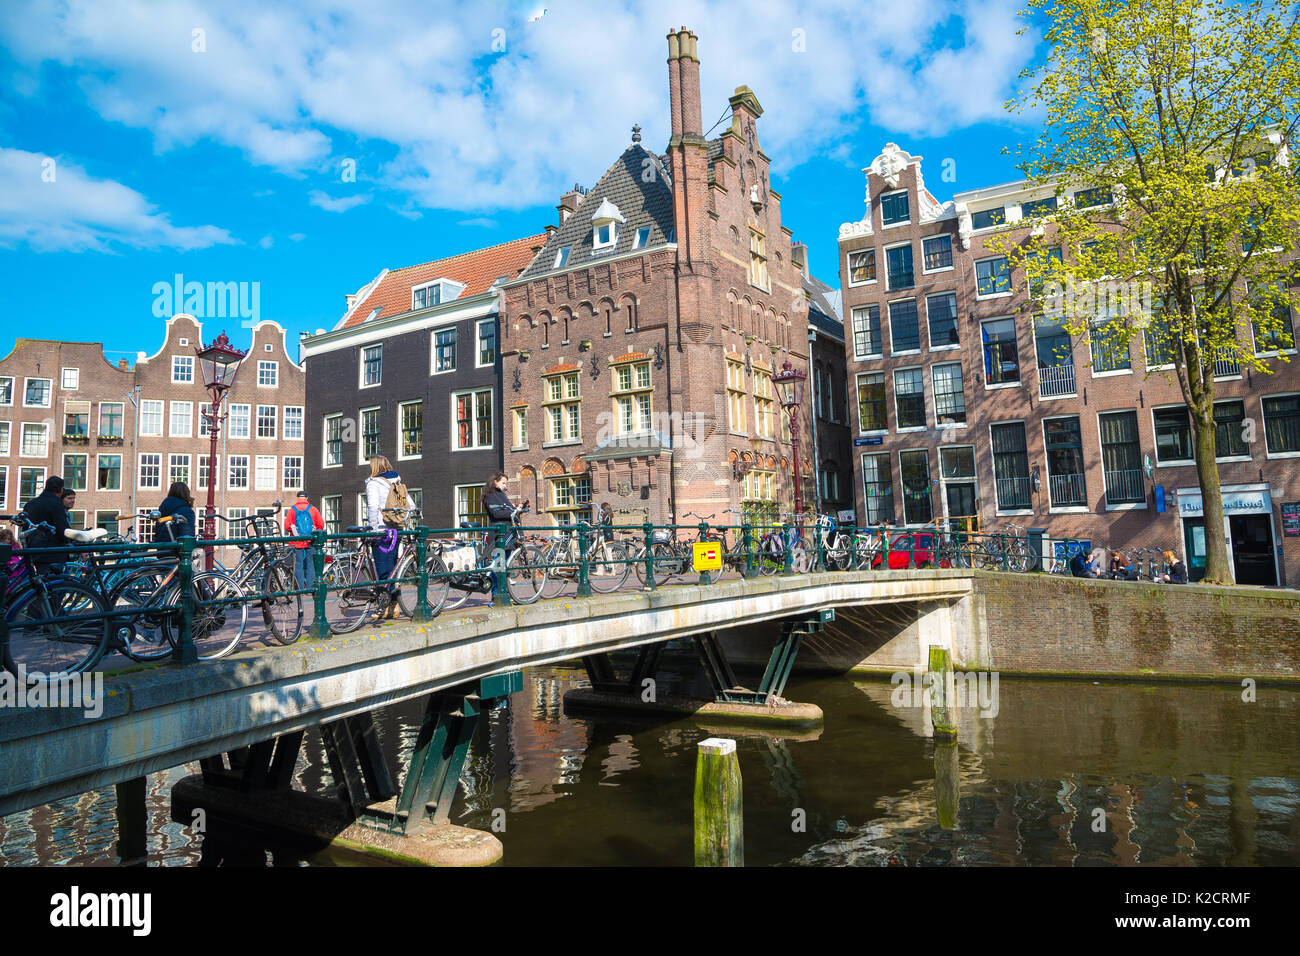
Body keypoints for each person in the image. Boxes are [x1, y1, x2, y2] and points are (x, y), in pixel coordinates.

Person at [365, 455, 403, 617]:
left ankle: (384, 607)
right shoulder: (397, 481)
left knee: (382, 570)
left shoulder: (373, 483)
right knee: (392, 569)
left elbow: (373, 507)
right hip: (396, 529)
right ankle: (394, 606)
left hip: (381, 532)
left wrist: (373, 529)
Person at [21, 475, 71, 567]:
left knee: (38, 578)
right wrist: (71, 541)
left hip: (33, 550)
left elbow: (25, 526)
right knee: (59, 580)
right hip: (52, 552)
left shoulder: (30, 503)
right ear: (60, 489)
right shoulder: (56, 504)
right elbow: (62, 529)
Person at [284, 491, 325, 591]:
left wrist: (295, 530)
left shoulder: (292, 510)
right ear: (307, 498)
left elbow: (287, 526)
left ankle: (300, 589)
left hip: (297, 541)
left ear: (297, 498)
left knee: (298, 565)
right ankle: (310, 588)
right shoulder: (313, 509)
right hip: (310, 540)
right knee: (311, 564)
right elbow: (321, 525)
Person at [482, 472, 527, 558]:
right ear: (495, 482)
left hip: (507, 534)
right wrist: (514, 511)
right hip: (499, 534)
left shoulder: (500, 495)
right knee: (499, 566)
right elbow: (496, 513)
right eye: (503, 483)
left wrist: (516, 509)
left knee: (504, 565)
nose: (505, 486)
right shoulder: (491, 495)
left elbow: (506, 509)